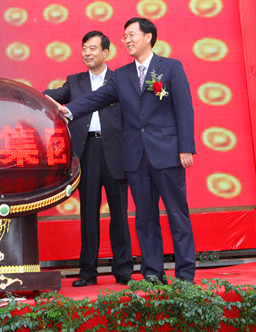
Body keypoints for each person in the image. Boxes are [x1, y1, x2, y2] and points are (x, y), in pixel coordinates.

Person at [48, 17, 196, 283]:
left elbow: (184, 109)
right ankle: (153, 273)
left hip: (167, 153)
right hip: (136, 157)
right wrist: (68, 110)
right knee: (145, 217)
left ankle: (185, 274)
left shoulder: (171, 67)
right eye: (124, 36)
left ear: (148, 37)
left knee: (177, 214)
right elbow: (97, 98)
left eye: (131, 35)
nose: (126, 40)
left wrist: (186, 147)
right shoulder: (123, 75)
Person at [44, 31, 133, 286]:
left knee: (119, 213)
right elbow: (51, 95)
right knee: (89, 213)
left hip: (115, 151)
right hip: (88, 151)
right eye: (84, 48)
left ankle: (123, 269)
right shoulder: (75, 81)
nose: (87, 53)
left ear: (105, 52)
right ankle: (88, 272)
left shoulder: (120, 79)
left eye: (92, 48)